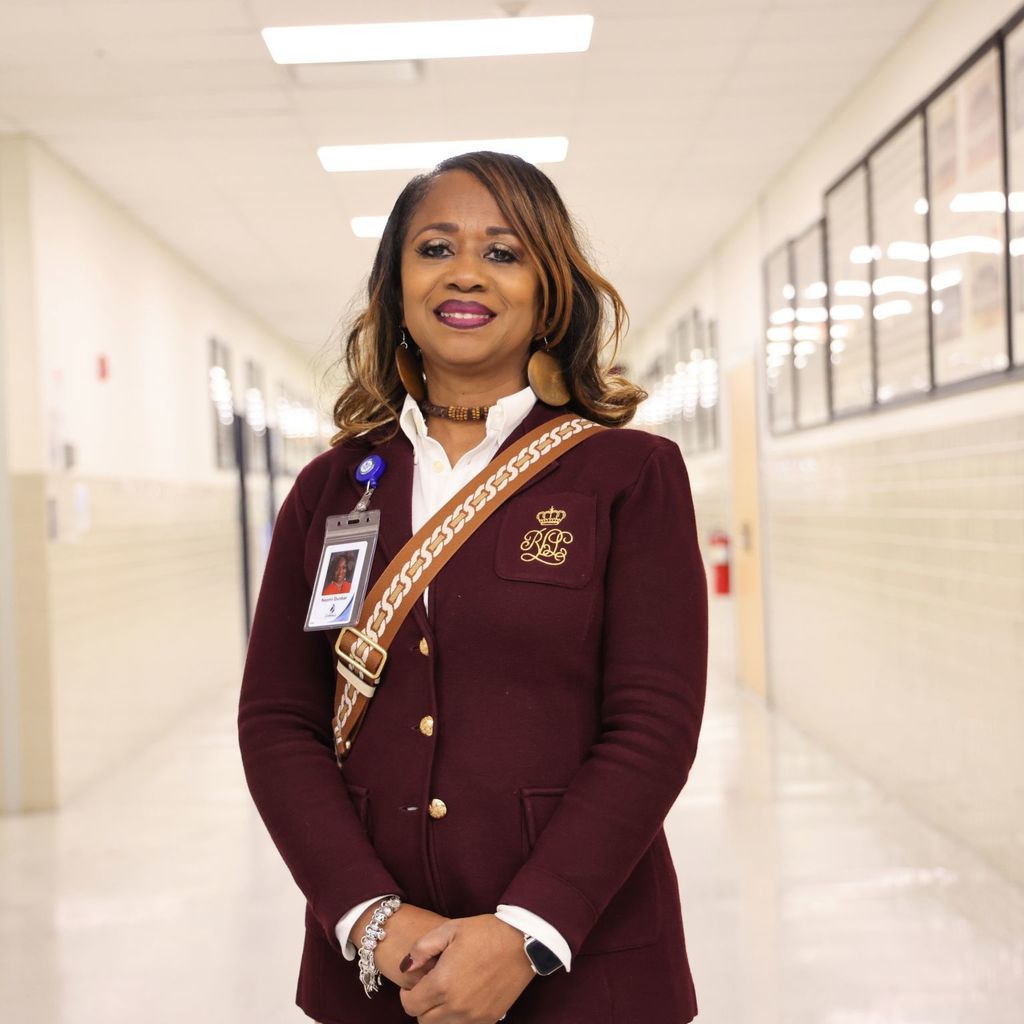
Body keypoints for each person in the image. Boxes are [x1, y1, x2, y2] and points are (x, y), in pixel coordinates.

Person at [238, 151, 708, 1024]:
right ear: (395, 286)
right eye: (434, 248)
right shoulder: (335, 488)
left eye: (503, 252)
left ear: (549, 288)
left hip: (589, 965)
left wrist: (527, 930)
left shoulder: (628, 475)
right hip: (378, 976)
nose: (465, 273)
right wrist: (365, 913)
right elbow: (277, 718)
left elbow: (655, 725)